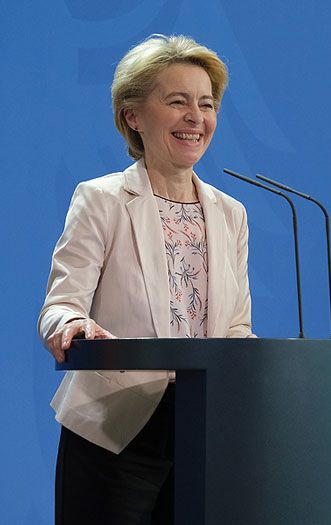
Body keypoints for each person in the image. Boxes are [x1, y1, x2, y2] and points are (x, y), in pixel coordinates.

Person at [38, 34, 254, 524]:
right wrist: (71, 325)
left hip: (204, 428)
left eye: (206, 103)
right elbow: (62, 303)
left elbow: (235, 330)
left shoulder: (232, 213)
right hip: (115, 425)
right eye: (176, 101)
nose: (196, 117)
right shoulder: (102, 199)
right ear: (133, 116)